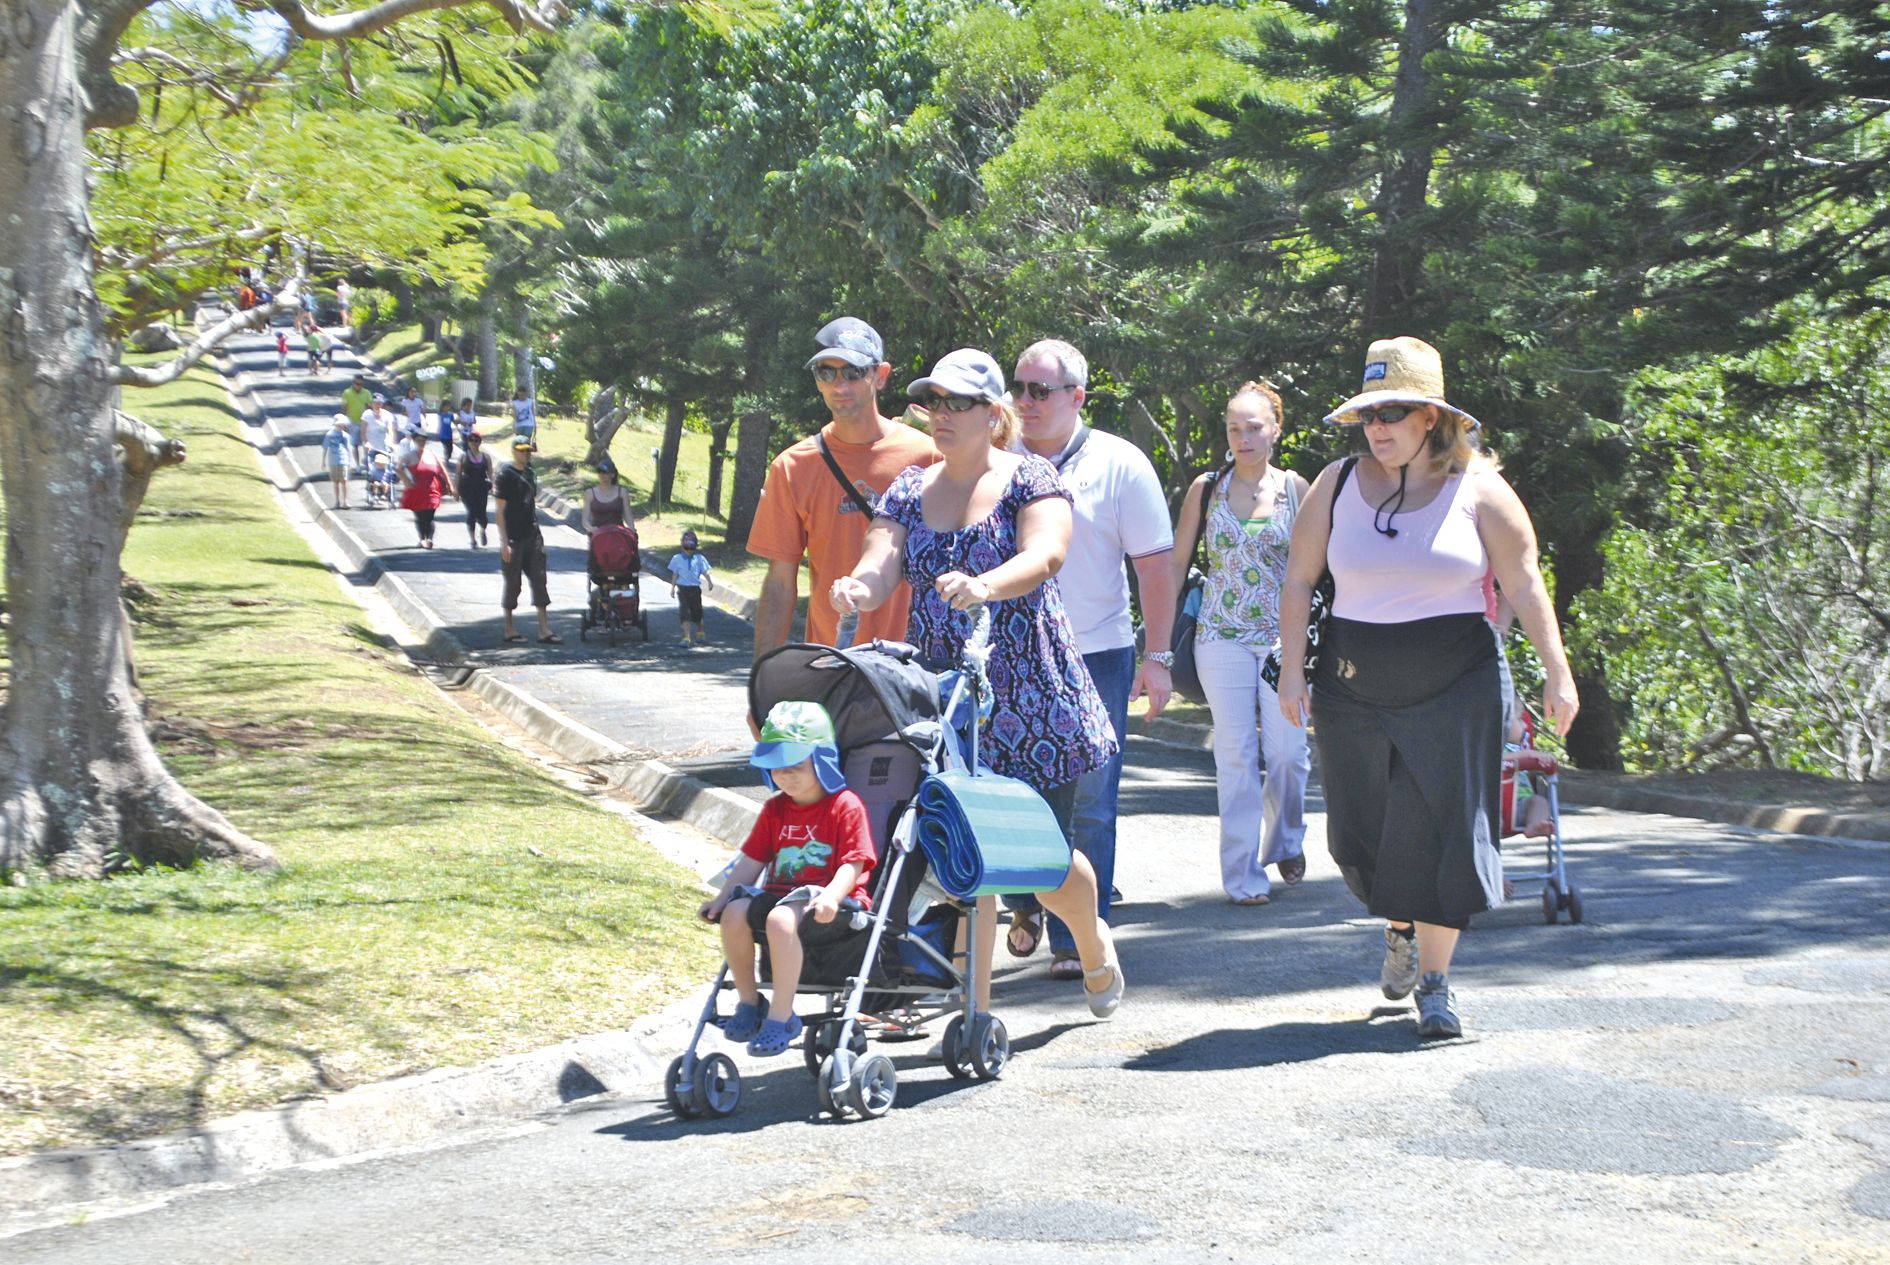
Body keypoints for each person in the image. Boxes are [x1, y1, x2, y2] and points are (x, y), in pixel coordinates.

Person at [1276, 336, 1579, 1040]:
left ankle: (1437, 984)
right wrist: (1293, 668)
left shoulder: (1479, 489)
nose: (1377, 427)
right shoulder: (1337, 483)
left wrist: (1558, 671)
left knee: (1446, 826)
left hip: (1456, 681)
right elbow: (1298, 579)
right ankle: (1400, 924)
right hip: (1354, 680)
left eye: (1394, 411)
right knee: (1360, 833)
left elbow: (1525, 584)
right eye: (1370, 413)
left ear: (1431, 418)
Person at [831, 347, 1125, 1020]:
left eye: (956, 402)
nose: (940, 414)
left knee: (1043, 859)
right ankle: (974, 1011)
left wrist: (983, 586)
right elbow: (882, 559)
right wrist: (859, 586)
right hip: (947, 701)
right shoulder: (908, 487)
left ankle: (1090, 936)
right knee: (965, 851)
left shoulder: (1031, 475)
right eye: (932, 401)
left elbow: (1046, 552)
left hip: (1031, 698)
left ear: (994, 414)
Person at [1003, 338, 1177, 978]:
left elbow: (1155, 567)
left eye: (1039, 391)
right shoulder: (995, 458)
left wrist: (1157, 657)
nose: (1025, 402)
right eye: (1018, 387)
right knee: (1011, 794)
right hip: (1011, 655)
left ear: (1077, 397)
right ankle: (1026, 901)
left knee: (1091, 801)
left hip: (1096, 654)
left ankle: (1079, 937)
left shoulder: (1120, 463)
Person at [1171, 380, 1312, 908]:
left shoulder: (1298, 489)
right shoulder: (1207, 489)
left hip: (1284, 640)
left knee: (1287, 754)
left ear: (1276, 428)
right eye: (1235, 428)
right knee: (1235, 753)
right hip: (1219, 636)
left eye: (1254, 427)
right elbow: (1176, 563)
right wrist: (1158, 643)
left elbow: (1318, 568)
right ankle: (1242, 876)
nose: (1244, 437)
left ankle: (1286, 840)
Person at [748, 317, 938, 659]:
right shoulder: (792, 467)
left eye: (853, 371)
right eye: (826, 372)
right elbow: (779, 581)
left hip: (918, 662)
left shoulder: (929, 456)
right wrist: (763, 678)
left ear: (880, 375)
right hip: (834, 661)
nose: (839, 384)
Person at [697, 701, 877, 1057]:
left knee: (778, 919)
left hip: (831, 902)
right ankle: (750, 1003)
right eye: (777, 769)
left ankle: (782, 1016)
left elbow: (854, 863)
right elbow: (751, 862)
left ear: (822, 759)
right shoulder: (775, 809)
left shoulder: (845, 804)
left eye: (795, 766)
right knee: (734, 914)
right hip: (781, 895)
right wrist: (722, 898)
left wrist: (832, 896)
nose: (785, 776)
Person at [496, 437, 559, 644]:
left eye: (528, 451)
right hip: (513, 537)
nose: (525, 454)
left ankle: (543, 629)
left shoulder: (531, 473)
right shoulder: (505, 475)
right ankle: (509, 629)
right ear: (514, 451)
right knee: (513, 583)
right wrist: (504, 542)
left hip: (532, 534)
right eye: (521, 450)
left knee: (540, 580)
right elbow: (499, 510)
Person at [397, 422, 454, 549]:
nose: (421, 442)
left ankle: (429, 539)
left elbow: (442, 470)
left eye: (423, 440)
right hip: (416, 490)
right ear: (414, 440)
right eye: (418, 440)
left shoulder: (432, 454)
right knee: (420, 516)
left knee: (430, 516)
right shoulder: (409, 456)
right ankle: (422, 538)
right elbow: (398, 468)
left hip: (432, 490)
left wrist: (450, 486)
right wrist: (406, 481)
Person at [668, 530, 715, 646]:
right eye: (686, 547)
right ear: (682, 545)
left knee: (697, 612)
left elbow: (705, 571)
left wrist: (709, 582)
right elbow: (675, 574)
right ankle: (686, 636)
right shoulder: (676, 558)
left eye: (691, 547)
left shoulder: (699, 558)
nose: (689, 550)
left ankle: (700, 632)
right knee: (685, 612)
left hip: (695, 589)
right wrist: (673, 587)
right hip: (683, 589)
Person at [457, 431, 492, 549]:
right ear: (468, 442)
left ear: (480, 442)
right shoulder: (463, 456)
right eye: (471, 440)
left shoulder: (486, 457)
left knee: (482, 513)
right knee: (471, 513)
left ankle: (482, 530)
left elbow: (491, 474)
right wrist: (455, 490)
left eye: (476, 440)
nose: (474, 443)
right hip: (466, 488)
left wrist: (494, 486)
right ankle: (472, 540)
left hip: (481, 487)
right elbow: (458, 474)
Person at [580, 456, 630, 533]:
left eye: (605, 472)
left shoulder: (622, 492)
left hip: (618, 535)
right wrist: (592, 529)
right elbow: (585, 521)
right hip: (598, 536)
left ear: (612, 475)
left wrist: (632, 528)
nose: (602, 474)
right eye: (599, 471)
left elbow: (627, 515)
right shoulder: (589, 493)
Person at [322, 414, 353, 510]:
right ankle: (337, 501)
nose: (341, 427)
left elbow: (349, 448)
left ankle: (345, 501)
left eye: (342, 425)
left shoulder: (345, 436)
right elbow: (325, 448)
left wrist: (350, 461)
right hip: (333, 460)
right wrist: (323, 461)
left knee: (344, 480)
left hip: (343, 459)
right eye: (339, 425)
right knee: (335, 481)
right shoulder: (329, 435)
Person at [340, 374, 372, 461]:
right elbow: (344, 407)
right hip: (352, 422)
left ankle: (367, 462)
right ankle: (357, 465)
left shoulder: (366, 393)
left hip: (364, 422)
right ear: (353, 383)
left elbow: (370, 406)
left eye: (361, 384)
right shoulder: (347, 393)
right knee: (355, 445)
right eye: (357, 384)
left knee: (366, 443)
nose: (359, 386)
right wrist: (342, 421)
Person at [361, 393, 398, 468]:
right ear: (371, 403)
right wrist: (366, 443)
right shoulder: (367, 414)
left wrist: (391, 443)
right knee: (372, 469)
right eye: (375, 403)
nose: (377, 405)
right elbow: (363, 432)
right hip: (371, 446)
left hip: (383, 445)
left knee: (386, 468)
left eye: (380, 403)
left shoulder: (388, 415)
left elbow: (390, 430)